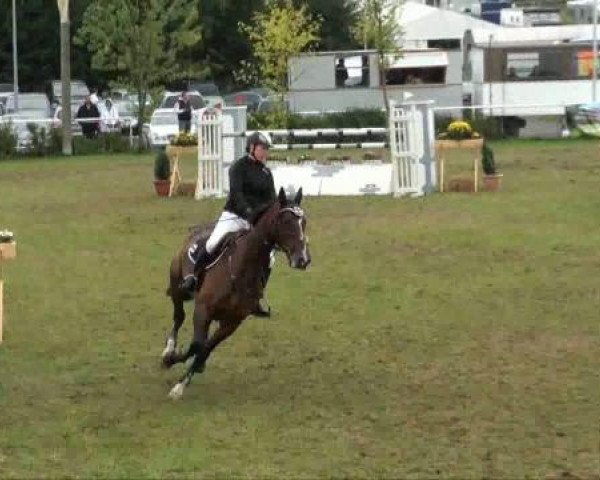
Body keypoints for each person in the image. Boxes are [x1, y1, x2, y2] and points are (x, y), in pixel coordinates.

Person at [180, 131, 276, 316]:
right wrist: (248, 213)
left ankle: (256, 296)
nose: (265, 153)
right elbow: (237, 195)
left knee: (269, 257)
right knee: (212, 243)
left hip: (254, 222)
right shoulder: (237, 168)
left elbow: (270, 200)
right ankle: (192, 278)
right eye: (263, 148)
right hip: (234, 215)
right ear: (252, 147)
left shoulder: (266, 173)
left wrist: (264, 219)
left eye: (267, 149)